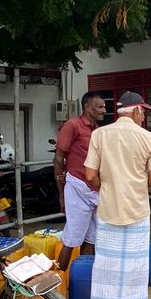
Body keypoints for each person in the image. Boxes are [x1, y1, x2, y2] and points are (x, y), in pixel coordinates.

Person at [84, 91, 151, 299]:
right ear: (137, 110)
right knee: (135, 268)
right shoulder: (148, 138)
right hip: (137, 211)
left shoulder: (99, 134)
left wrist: (104, 186)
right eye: (144, 112)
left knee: (105, 266)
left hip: (108, 210)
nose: (144, 117)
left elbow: (89, 175)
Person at [54, 92, 106, 271]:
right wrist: (62, 195)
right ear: (87, 107)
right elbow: (58, 160)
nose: (104, 110)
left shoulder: (97, 130)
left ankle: (82, 280)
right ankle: (58, 285)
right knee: (71, 238)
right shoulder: (72, 125)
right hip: (77, 187)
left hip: (95, 189)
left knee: (92, 238)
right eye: (100, 107)